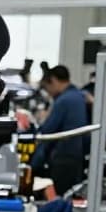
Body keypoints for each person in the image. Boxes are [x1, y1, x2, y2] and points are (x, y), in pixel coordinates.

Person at [30, 65, 88, 196]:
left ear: (54, 81)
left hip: (63, 158)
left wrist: (33, 165)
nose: (48, 92)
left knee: (59, 197)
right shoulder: (79, 96)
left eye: (47, 87)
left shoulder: (64, 100)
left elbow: (48, 131)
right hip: (76, 157)